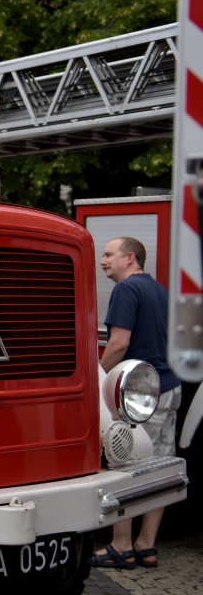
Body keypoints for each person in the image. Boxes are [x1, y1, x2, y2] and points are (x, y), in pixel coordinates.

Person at [90, 236, 181, 569]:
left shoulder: (127, 289)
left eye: (108, 254)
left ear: (130, 258)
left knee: (125, 464)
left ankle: (121, 546)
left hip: (137, 396)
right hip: (168, 388)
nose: (102, 261)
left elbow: (118, 343)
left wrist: (98, 377)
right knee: (160, 467)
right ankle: (146, 545)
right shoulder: (162, 291)